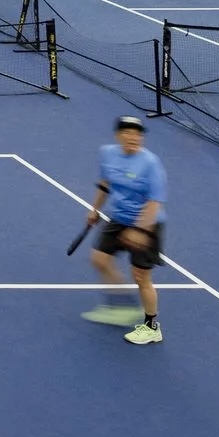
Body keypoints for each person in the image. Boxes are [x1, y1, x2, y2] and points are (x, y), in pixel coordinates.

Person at [82, 116, 168, 346]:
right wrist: (94, 209)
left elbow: (154, 202)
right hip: (119, 218)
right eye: (128, 133)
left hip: (147, 222)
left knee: (141, 276)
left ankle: (152, 327)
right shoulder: (107, 153)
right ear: (118, 135)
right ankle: (122, 307)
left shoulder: (150, 163)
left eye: (138, 134)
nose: (133, 137)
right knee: (99, 260)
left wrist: (140, 231)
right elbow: (105, 183)